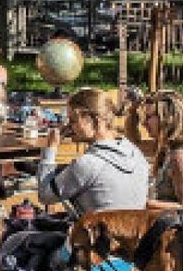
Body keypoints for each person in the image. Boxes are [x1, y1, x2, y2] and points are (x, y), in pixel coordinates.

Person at [37, 87, 150, 215]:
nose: (68, 126)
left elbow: (45, 195)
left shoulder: (88, 164)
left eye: (73, 120)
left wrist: (50, 149)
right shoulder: (137, 155)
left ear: (95, 120)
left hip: (93, 234)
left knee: (20, 234)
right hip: (132, 232)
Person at [140, 90, 183, 209]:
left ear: (167, 118)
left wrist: (144, 203)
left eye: (148, 117)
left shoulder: (181, 157)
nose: (144, 123)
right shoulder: (170, 151)